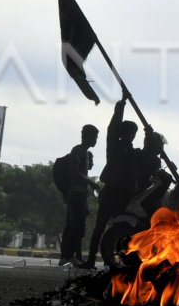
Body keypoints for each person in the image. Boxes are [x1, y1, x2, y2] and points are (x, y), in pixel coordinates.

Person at [83, 97, 160, 267]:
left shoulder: (135, 153)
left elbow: (151, 150)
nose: (130, 136)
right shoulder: (114, 146)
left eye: (133, 133)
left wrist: (149, 133)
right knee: (100, 226)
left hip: (127, 195)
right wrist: (121, 106)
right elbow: (113, 127)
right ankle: (90, 260)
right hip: (111, 192)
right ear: (122, 133)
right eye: (128, 132)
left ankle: (121, 258)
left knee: (123, 227)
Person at [59, 124, 99, 267]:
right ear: (87, 136)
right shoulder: (77, 151)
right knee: (74, 225)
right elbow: (75, 172)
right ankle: (67, 256)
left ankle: (73, 255)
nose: (96, 140)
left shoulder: (86, 153)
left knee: (77, 226)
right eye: (95, 137)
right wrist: (92, 184)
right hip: (75, 193)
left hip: (81, 194)